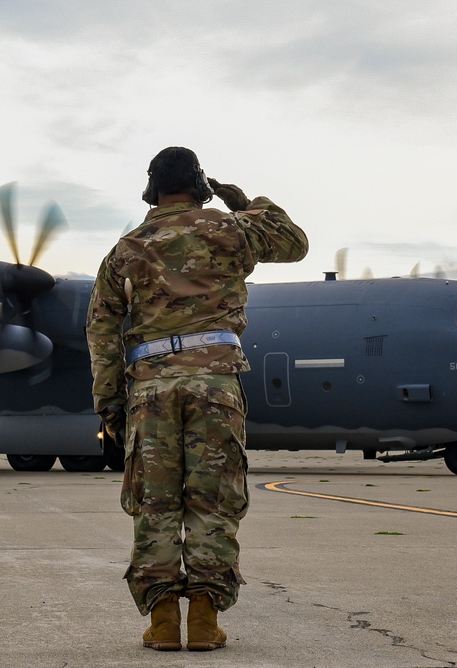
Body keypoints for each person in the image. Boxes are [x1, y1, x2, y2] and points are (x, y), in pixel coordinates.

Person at [86, 147, 308, 652]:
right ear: (200, 185)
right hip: (215, 386)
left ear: (151, 189)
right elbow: (295, 243)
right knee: (213, 500)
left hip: (151, 390)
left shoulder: (127, 247)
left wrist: (110, 402)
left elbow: (101, 327)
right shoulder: (229, 230)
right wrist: (245, 203)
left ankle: (164, 622)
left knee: (155, 503)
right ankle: (205, 620)